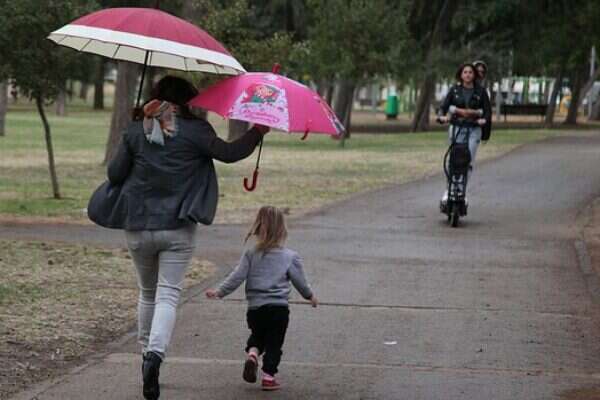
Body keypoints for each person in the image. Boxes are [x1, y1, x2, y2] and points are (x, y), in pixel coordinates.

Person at [98, 75, 269, 400]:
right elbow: (230, 153)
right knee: (167, 294)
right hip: (178, 226)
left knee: (148, 292)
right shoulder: (197, 131)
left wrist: (134, 135)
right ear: (188, 101)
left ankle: (145, 354)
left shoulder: (136, 130)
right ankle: (155, 355)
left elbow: (114, 174)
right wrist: (257, 131)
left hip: (137, 224)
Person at [206, 206, 318, 391]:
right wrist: (310, 296)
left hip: (255, 309)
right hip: (278, 310)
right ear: (282, 230)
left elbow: (237, 276)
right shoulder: (290, 256)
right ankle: (268, 377)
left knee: (258, 336)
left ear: (258, 227)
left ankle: (252, 354)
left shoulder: (250, 254)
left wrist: (219, 292)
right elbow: (300, 282)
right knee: (274, 343)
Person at [437, 63, 491, 204]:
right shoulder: (454, 90)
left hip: (474, 129)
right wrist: (442, 116)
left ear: (474, 75)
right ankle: (449, 189)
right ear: (461, 75)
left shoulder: (481, 92)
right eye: (465, 72)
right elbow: (444, 106)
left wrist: (484, 120)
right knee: (454, 159)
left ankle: (462, 191)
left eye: (470, 72)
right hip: (457, 127)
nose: (468, 75)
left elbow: (487, 111)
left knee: (468, 160)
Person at [473, 60, 493, 141]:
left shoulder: (483, 91)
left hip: (475, 127)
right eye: (477, 71)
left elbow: (487, 111)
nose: (479, 74)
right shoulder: (458, 89)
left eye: (482, 72)